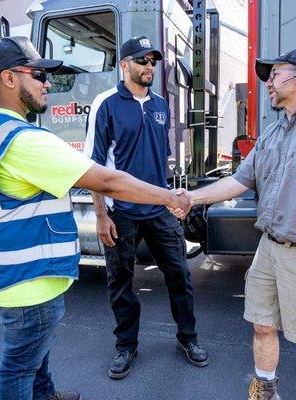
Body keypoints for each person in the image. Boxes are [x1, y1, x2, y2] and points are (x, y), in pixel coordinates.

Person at [0, 36, 191, 400]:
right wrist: (169, 198)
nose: (47, 83)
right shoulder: (23, 139)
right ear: (8, 78)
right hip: (27, 277)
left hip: (7, 268)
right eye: (38, 74)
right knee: (20, 365)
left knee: (35, 352)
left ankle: (46, 394)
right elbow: (107, 179)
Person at [173, 49, 296, 400]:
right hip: (269, 249)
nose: (267, 83)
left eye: (275, 74)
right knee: (263, 325)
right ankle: (264, 390)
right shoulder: (273, 133)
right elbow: (239, 180)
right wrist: (192, 198)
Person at [83, 35, 209, 379]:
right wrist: (101, 214)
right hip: (120, 213)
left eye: (153, 61)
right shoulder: (106, 103)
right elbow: (94, 167)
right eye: (141, 61)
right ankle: (126, 346)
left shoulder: (159, 105)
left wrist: (171, 198)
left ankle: (188, 338)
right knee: (120, 282)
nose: (149, 66)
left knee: (180, 276)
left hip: (158, 210)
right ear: (124, 65)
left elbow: (160, 160)